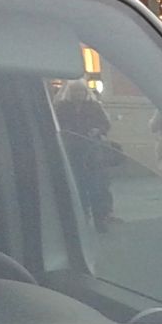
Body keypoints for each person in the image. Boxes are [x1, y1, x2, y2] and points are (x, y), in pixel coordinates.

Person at [53, 80, 117, 230]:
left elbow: (105, 124)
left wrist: (97, 130)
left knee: (96, 186)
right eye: (75, 91)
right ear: (70, 93)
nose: (78, 94)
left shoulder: (93, 107)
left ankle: (99, 219)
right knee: (78, 186)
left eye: (81, 91)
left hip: (91, 151)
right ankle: (82, 219)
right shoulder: (62, 107)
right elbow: (56, 125)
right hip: (71, 150)